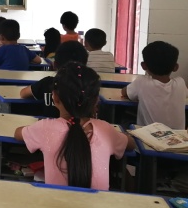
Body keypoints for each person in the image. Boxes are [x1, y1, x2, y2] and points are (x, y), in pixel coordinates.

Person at [15, 62, 135, 190]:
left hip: (53, 202)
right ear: (96, 101)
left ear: (55, 97)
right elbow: (131, 144)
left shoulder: (44, 127)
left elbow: (17, 133)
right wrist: (121, 135)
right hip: (98, 203)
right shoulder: (106, 130)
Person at [122, 41, 188, 129]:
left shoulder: (142, 82)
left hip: (148, 136)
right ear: (175, 67)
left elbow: (124, 92)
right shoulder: (181, 83)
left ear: (144, 66)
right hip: (178, 136)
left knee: (123, 119)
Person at [20, 41, 89, 118]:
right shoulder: (89, 85)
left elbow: (23, 93)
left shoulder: (47, 83)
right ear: (85, 65)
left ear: (55, 65)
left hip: (49, 125)